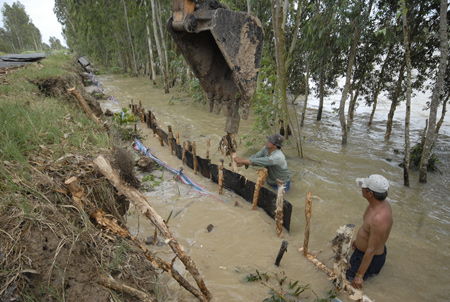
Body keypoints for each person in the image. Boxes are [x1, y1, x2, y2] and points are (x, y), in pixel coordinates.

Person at [346, 174, 393, 289]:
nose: (361, 188)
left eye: (363, 187)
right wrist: (359, 241)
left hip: (370, 258)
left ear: (370, 193)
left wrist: (359, 276)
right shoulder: (376, 205)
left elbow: (372, 249)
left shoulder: (379, 218)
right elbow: (369, 230)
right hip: (363, 252)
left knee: (347, 284)